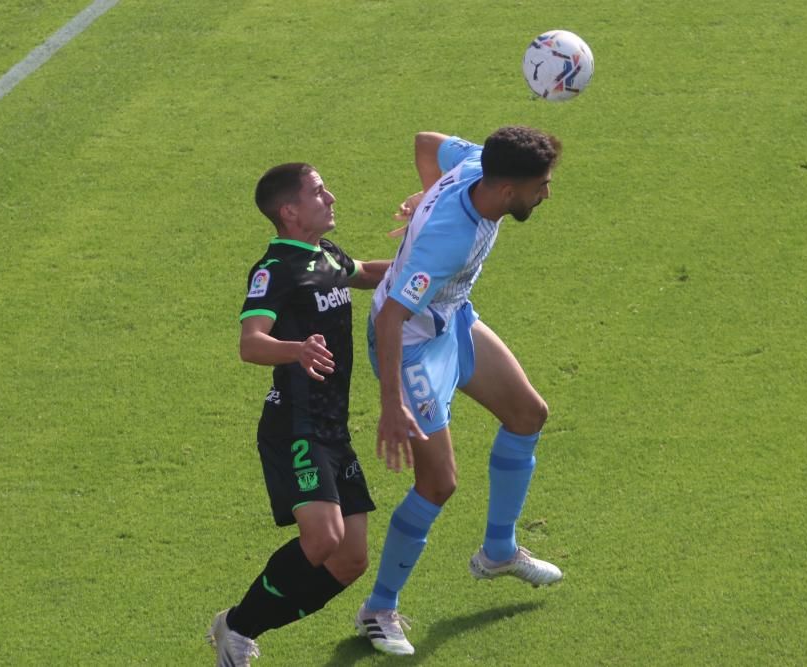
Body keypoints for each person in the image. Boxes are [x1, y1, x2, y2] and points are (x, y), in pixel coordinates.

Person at [354, 127, 564, 656]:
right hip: (412, 346)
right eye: (540, 185)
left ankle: (498, 550)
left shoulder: (476, 164)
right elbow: (392, 318)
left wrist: (426, 191)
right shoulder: (449, 240)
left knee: (527, 413)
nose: (546, 194)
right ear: (509, 190)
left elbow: (425, 140)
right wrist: (391, 403)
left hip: (451, 319)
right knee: (438, 483)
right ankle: (378, 609)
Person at [207, 163, 390, 666]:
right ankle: (239, 630)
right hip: (295, 426)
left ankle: (236, 623)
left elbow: (367, 274)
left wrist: (429, 256)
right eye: (318, 191)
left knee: (351, 560)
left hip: (333, 428)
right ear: (289, 211)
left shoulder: (325, 253)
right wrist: (295, 350)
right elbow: (251, 343)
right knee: (323, 537)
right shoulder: (276, 269)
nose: (330, 196)